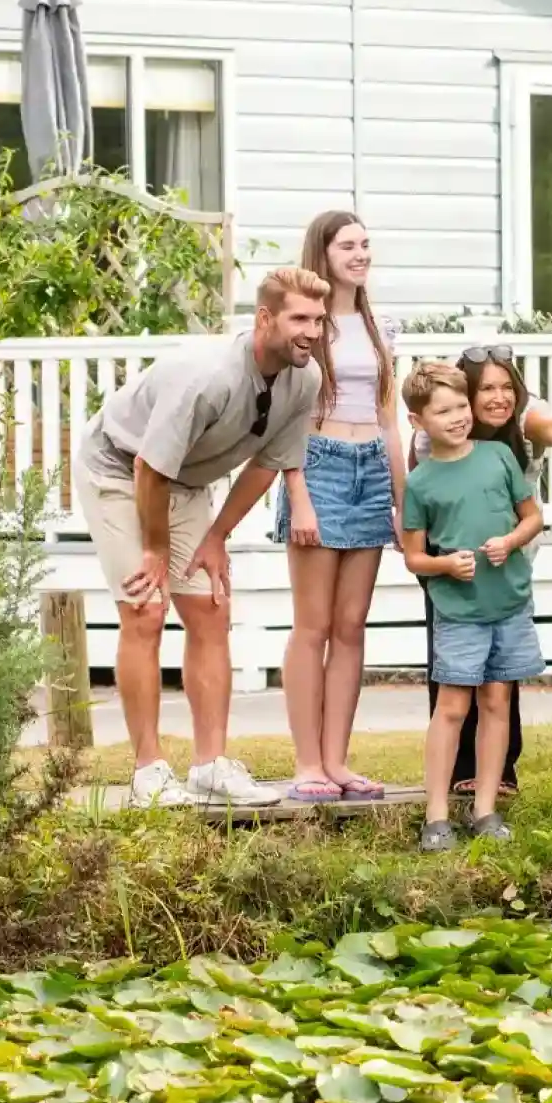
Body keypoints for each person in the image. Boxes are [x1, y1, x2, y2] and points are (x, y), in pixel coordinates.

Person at [77, 266, 328, 809]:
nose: (313, 332)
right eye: (300, 319)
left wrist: (216, 536)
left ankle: (210, 766)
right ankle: (149, 772)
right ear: (265, 318)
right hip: (120, 470)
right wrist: (157, 550)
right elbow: (149, 467)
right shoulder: (207, 376)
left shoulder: (303, 379)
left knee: (211, 607)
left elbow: (268, 464)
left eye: (319, 320)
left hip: (184, 481)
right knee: (145, 606)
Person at [406, 342, 552, 797]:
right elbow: (420, 504)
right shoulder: (434, 432)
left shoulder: (521, 422)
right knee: (454, 667)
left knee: (500, 673)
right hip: (449, 561)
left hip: (509, 558)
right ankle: (459, 768)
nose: (499, 398)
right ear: (466, 394)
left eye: (506, 387)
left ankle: (500, 772)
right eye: (487, 390)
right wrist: (436, 565)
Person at [270, 212, 406, 803]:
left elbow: (389, 418)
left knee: (351, 627)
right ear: (322, 253)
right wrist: (298, 495)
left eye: (366, 244)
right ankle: (307, 765)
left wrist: (404, 502)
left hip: (370, 467)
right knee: (314, 624)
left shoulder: (381, 328)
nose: (360, 254)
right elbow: (287, 419)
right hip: (319, 466)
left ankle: (338, 761)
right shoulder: (308, 325)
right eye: (348, 245)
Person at [399, 359, 545, 849]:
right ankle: (436, 816)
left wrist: (510, 541)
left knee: (498, 699)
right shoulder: (420, 482)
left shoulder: (498, 457)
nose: (459, 416)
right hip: (460, 611)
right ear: (419, 422)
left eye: (462, 405)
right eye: (443, 411)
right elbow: (414, 557)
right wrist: (446, 566)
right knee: (453, 707)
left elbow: (532, 518)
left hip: (508, 601)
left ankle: (486, 809)